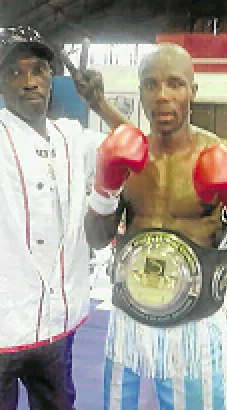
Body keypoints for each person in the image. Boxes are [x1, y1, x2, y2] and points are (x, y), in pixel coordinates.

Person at [84, 43, 227, 409]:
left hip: (194, 330)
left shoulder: (222, 154)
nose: (162, 96)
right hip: (128, 323)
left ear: (192, 91)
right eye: (151, 85)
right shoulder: (126, 156)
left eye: (175, 84)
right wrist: (103, 188)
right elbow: (97, 239)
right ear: (140, 92)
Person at [0, 26, 128, 409]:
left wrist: (99, 103)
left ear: (51, 80)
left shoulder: (73, 137)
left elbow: (134, 147)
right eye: (15, 72)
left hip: (58, 323)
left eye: (38, 70)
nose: (28, 81)